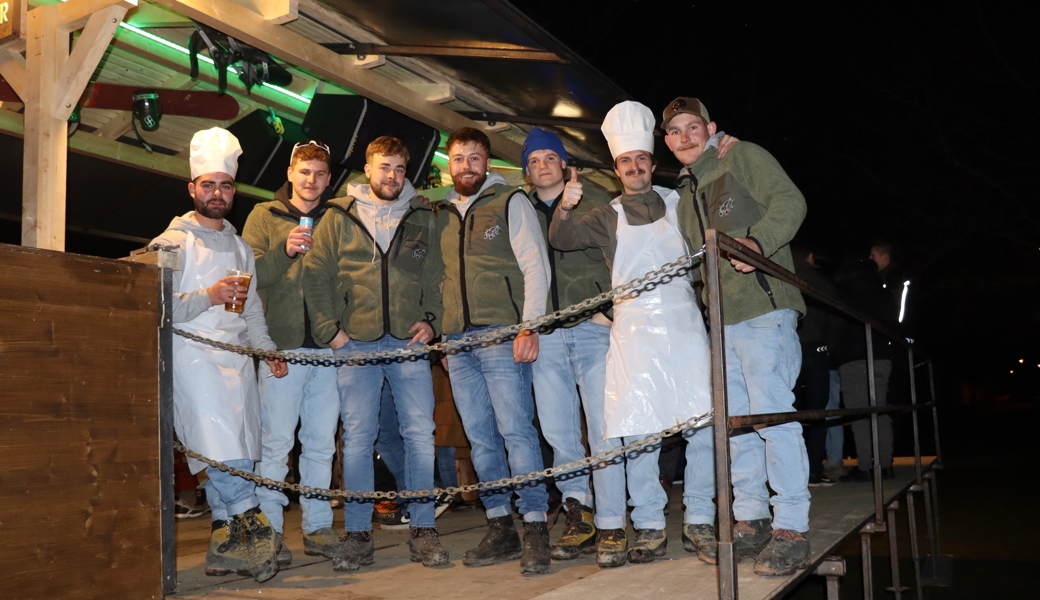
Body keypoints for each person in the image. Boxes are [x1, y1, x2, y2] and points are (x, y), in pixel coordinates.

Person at [549, 101, 713, 567]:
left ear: (651, 163)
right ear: (617, 168)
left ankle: (700, 517)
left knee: (701, 424)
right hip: (635, 329)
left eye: (641, 158)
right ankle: (649, 526)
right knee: (640, 431)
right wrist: (565, 206)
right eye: (626, 161)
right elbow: (561, 241)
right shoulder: (607, 215)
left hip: (683, 323)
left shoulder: (681, 203)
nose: (635, 166)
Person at [662, 96, 811, 577]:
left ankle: (792, 526)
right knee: (738, 424)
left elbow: (792, 201)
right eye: (675, 132)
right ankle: (753, 519)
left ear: (711, 128)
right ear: (667, 142)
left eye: (692, 127)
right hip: (721, 321)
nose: (684, 137)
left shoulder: (742, 156)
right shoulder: (687, 190)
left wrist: (759, 243)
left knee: (772, 416)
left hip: (764, 309)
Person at [303, 136, 448, 570]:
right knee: (358, 440)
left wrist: (432, 320)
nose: (392, 176)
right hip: (357, 343)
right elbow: (316, 275)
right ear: (368, 170)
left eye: (400, 169)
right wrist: (331, 332)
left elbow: (437, 275)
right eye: (385, 167)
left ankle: (423, 530)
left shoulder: (423, 215)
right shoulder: (337, 216)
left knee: (420, 435)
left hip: (408, 342)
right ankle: (358, 534)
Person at [150, 127, 286, 583]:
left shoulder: (241, 247)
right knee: (219, 449)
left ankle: (227, 545)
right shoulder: (170, 243)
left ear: (233, 190)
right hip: (193, 358)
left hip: (235, 363)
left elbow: (252, 311)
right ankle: (257, 531)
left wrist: (266, 351)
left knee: (239, 451)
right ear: (192, 189)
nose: (217, 193)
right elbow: (158, 306)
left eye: (225, 185)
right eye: (207, 184)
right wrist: (207, 295)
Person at [436, 126, 553, 575]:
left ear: (488, 162)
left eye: (475, 158)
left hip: (503, 335)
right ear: (450, 163)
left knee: (516, 432)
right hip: (459, 343)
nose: (466, 166)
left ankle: (537, 526)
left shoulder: (510, 201)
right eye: (459, 158)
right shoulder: (442, 211)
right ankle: (501, 524)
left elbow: (534, 268)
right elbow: (440, 279)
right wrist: (444, 338)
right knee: (481, 438)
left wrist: (529, 328)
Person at [520, 128, 618, 564]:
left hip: (592, 328)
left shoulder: (595, 199)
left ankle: (614, 520)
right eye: (534, 160)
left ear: (564, 163)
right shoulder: (519, 210)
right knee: (558, 431)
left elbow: (621, 254)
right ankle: (581, 513)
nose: (543, 165)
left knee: (603, 426)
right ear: (527, 169)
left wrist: (609, 311)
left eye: (550, 157)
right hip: (547, 335)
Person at [241, 140, 341, 566]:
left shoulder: (338, 218)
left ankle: (318, 526)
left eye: (319, 173)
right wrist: (284, 251)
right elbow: (247, 278)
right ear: (290, 172)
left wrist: (343, 331)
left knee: (321, 444)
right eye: (305, 172)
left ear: (329, 178)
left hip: (329, 350)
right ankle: (271, 531)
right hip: (281, 349)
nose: (312, 180)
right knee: (276, 444)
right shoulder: (263, 216)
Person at [832, 259, 898, 482]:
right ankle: (886, 466)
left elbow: (837, 323)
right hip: (880, 356)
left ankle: (864, 467)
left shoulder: (844, 291)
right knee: (880, 411)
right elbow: (894, 322)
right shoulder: (884, 293)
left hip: (853, 357)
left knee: (860, 415)